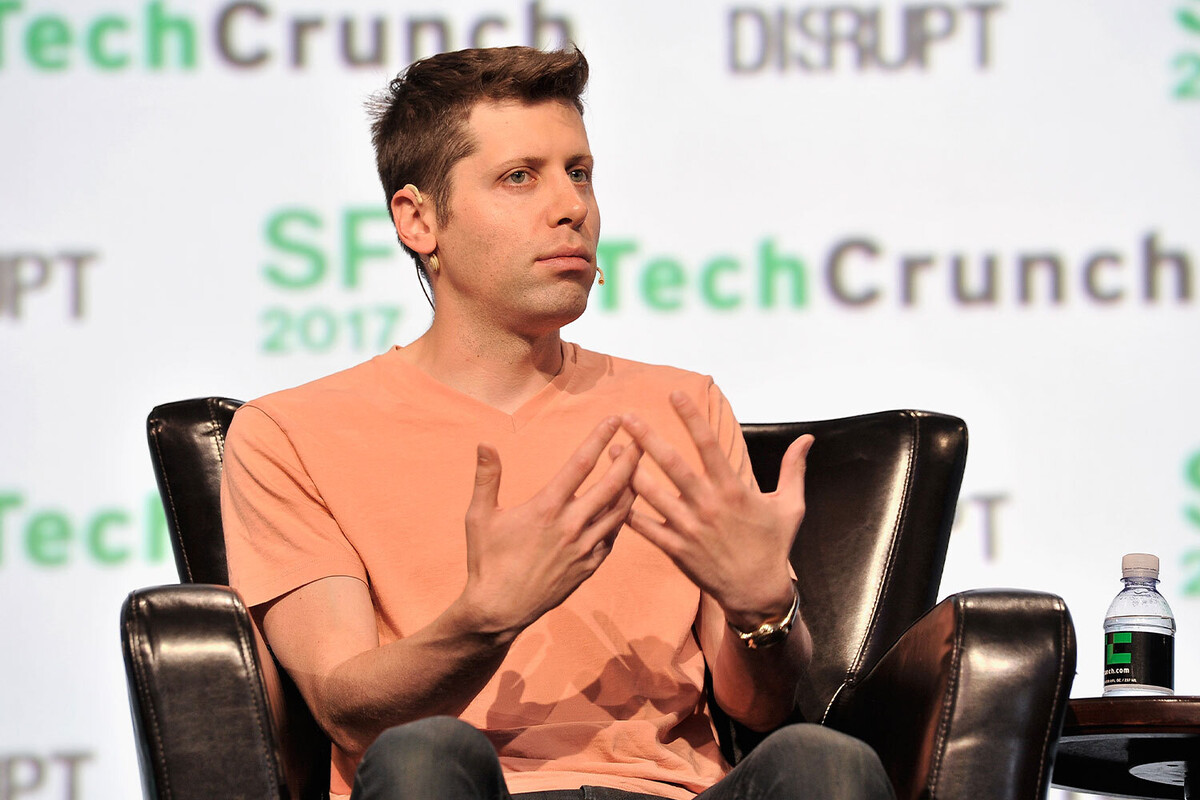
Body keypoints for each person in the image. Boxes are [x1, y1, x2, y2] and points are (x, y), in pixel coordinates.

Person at [220, 46, 894, 800]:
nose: (571, 206)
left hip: (666, 793)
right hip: (458, 787)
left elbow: (758, 705)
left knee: (826, 763)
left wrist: (763, 611)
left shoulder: (683, 407)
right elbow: (345, 710)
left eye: (579, 173)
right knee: (425, 755)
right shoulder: (292, 433)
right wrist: (484, 621)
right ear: (418, 219)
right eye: (520, 177)